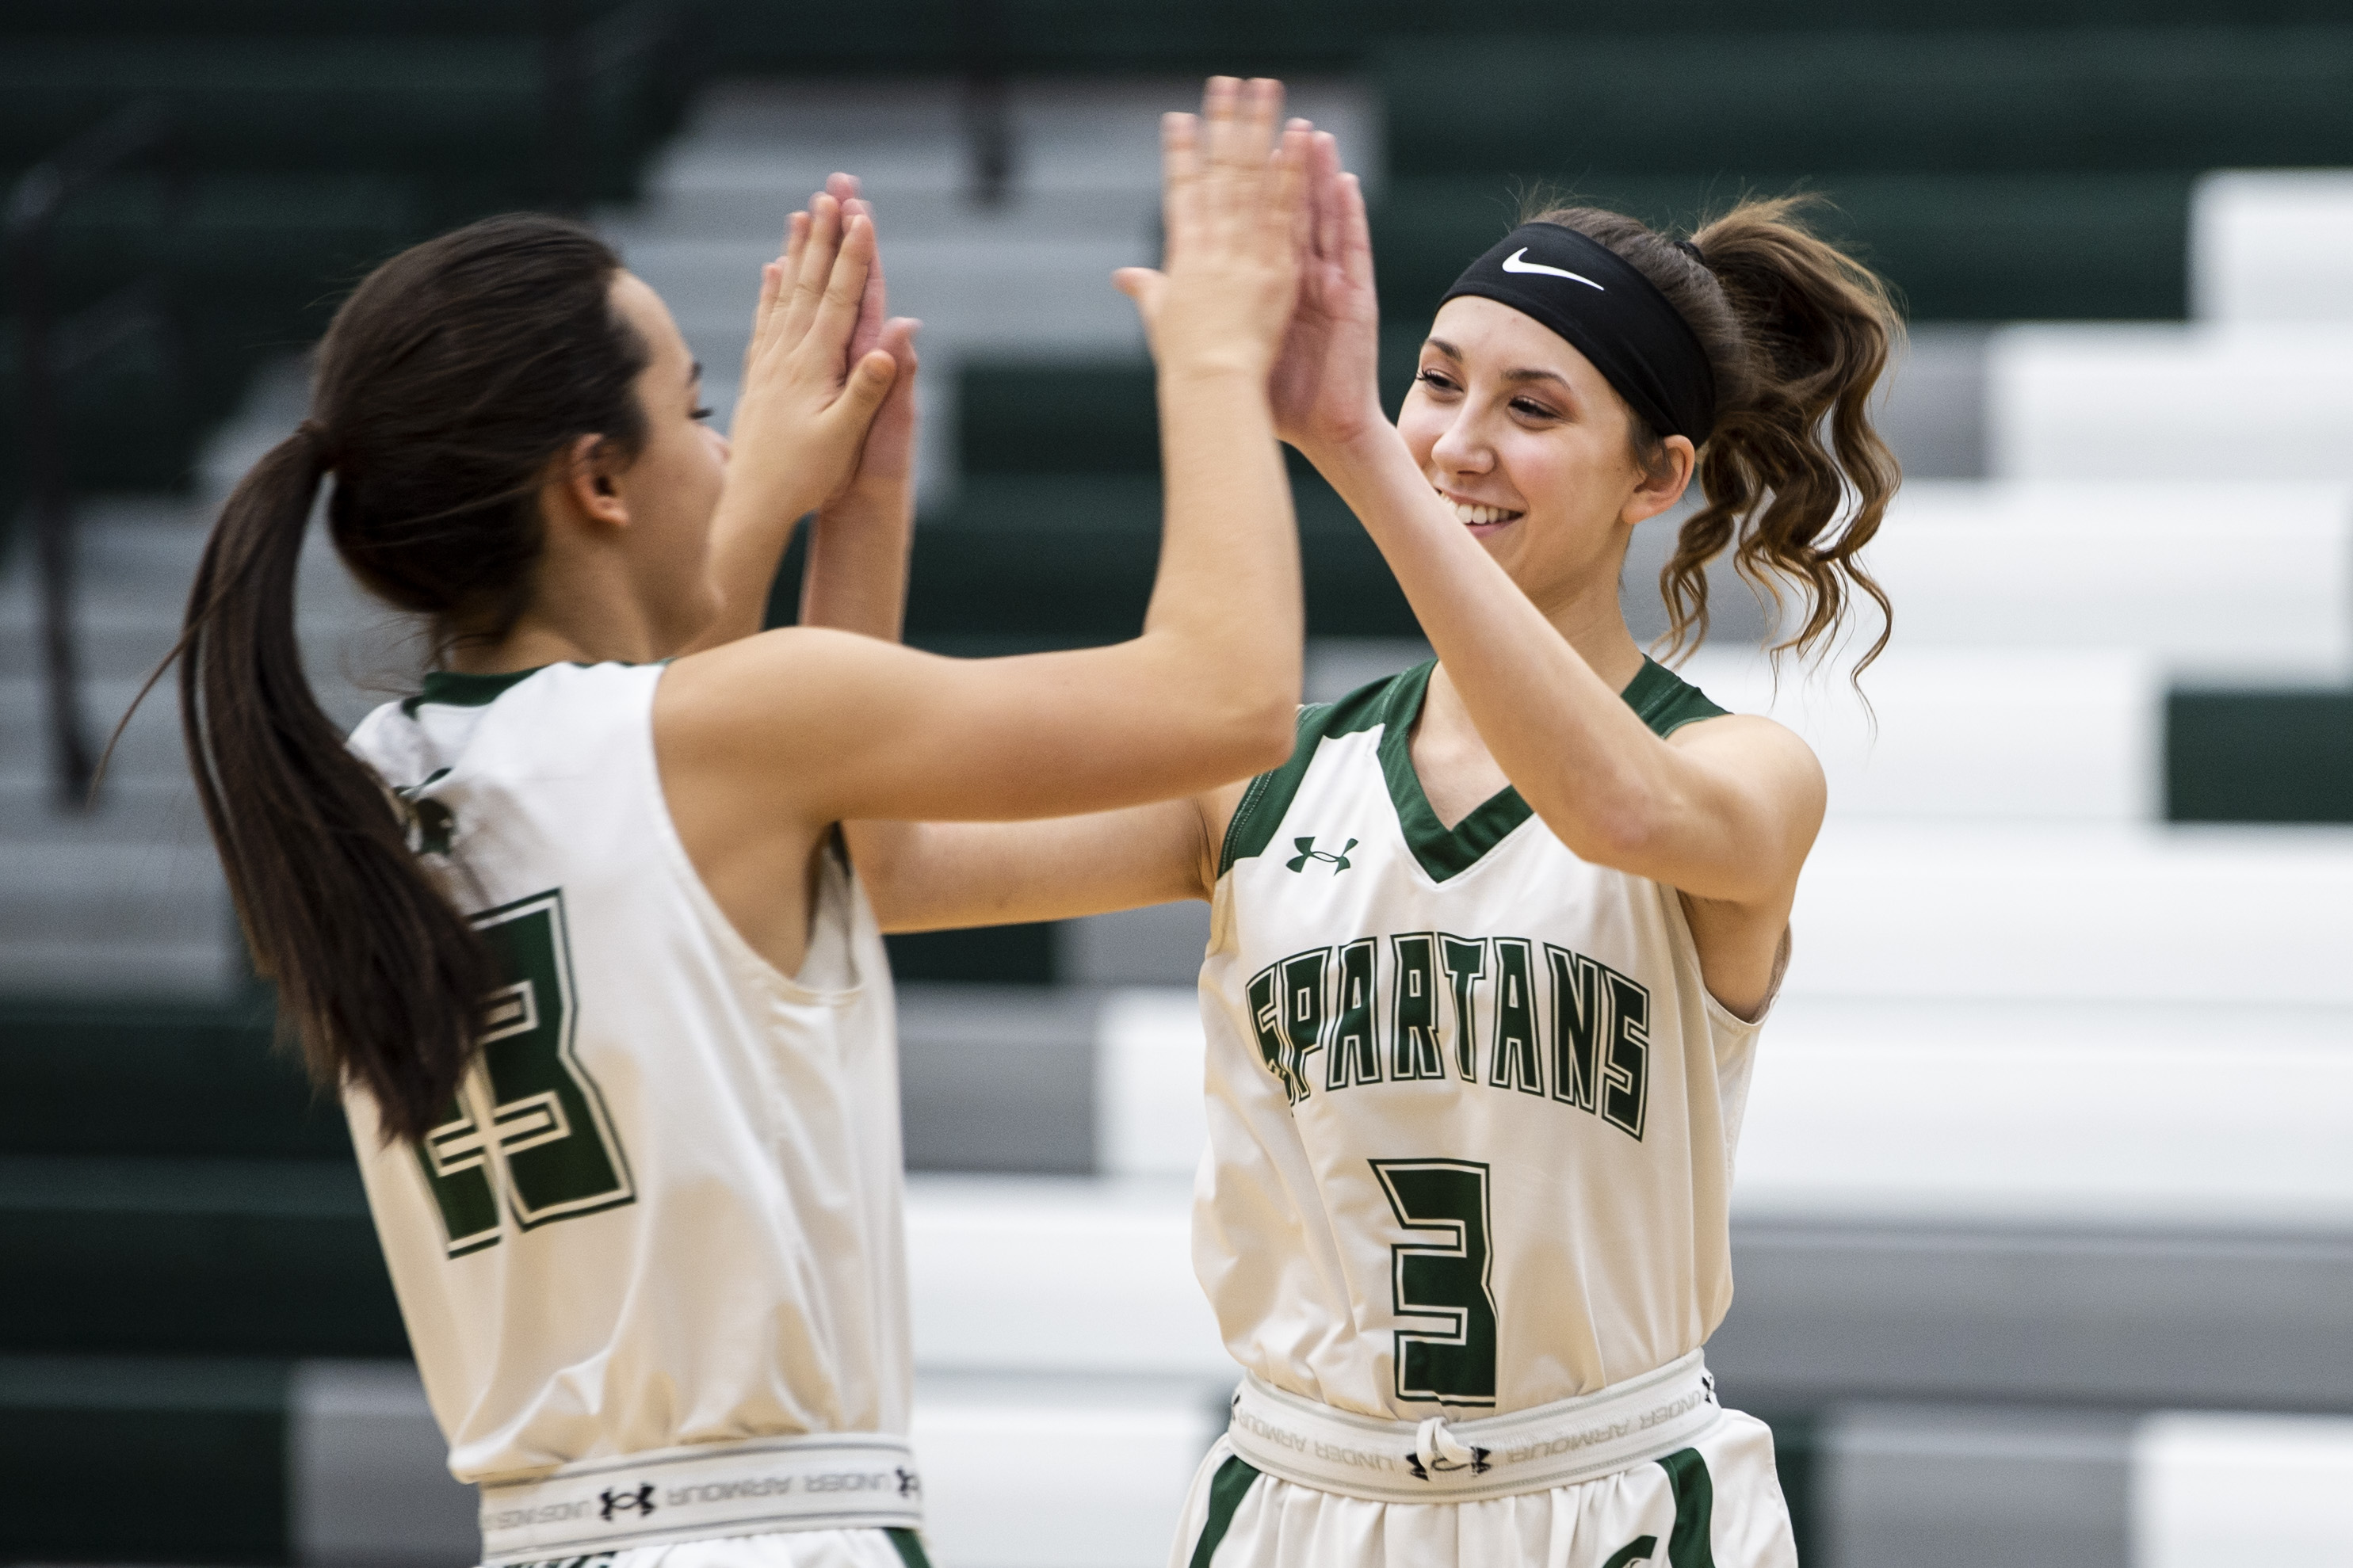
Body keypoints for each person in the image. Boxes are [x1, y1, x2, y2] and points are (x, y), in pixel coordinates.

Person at [172, 79, 1312, 1568]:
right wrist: (1216, 361)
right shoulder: (719, 734)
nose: (730, 444)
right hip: (768, 1534)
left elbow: (837, 858)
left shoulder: (360, 795)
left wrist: (843, 511)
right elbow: (1223, 696)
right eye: (699, 412)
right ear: (595, 482)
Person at [841, 135, 1900, 1567]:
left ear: (1654, 479)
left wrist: (1344, 442)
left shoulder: (1736, 771)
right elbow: (884, 870)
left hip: (1606, 1498)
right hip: (1300, 1492)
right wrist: (858, 492)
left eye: (1531, 407)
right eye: (1435, 381)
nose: (1458, 440)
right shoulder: (1264, 774)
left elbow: (1616, 814)